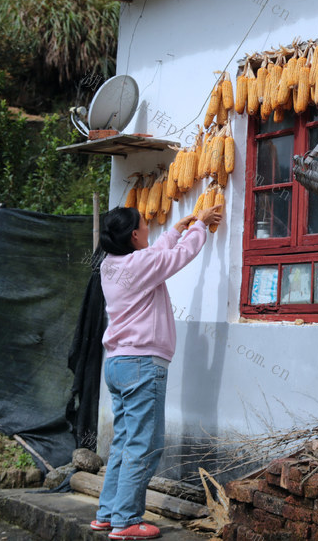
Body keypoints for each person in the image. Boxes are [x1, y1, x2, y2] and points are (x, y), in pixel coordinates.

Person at [91, 204, 222, 540]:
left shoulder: (111, 265)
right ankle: (126, 522)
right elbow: (175, 258)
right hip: (141, 366)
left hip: (118, 365)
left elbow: (154, 257)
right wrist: (200, 227)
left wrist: (176, 230)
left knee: (124, 443)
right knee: (144, 445)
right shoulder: (138, 265)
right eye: (144, 225)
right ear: (134, 235)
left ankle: (107, 514)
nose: (148, 227)